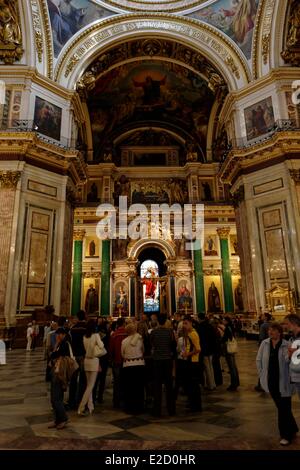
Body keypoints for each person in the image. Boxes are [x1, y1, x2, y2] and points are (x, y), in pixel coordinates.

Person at [256, 322, 298, 446]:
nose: (270, 332)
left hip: (284, 381)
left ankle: (286, 435)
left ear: (279, 332)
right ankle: (293, 428)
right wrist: (261, 373)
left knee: (283, 409)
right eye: (269, 330)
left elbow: (289, 361)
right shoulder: (265, 343)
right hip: (271, 381)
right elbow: (259, 359)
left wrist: (290, 355)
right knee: (282, 408)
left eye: (273, 330)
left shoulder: (286, 344)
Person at [150, 314, 176, 417]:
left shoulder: (153, 332)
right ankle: (171, 409)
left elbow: (152, 344)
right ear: (165, 321)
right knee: (169, 386)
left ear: (157, 322)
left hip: (157, 361)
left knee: (157, 386)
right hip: (167, 361)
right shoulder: (170, 332)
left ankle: (157, 410)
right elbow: (172, 345)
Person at [78, 319, 105, 416]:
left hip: (86, 361)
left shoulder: (84, 336)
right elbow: (101, 346)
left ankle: (90, 406)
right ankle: (81, 407)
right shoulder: (96, 335)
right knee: (90, 386)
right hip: (94, 361)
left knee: (88, 384)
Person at [48, 327, 71, 429]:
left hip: (59, 373)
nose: (57, 336)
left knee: (56, 398)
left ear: (63, 334)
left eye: (59, 334)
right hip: (56, 372)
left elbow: (53, 355)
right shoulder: (61, 344)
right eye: (57, 334)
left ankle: (63, 419)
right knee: (55, 398)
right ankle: (57, 420)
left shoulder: (64, 344)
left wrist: (55, 347)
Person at [121, 322, 145, 414]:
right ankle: (139, 407)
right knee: (139, 387)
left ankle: (129, 407)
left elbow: (122, 354)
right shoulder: (139, 339)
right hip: (139, 365)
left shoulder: (124, 341)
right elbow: (143, 350)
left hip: (128, 366)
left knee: (129, 387)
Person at [181, 316, 202, 412]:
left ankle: (196, 405)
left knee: (194, 384)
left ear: (191, 323)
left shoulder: (193, 334)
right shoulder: (188, 333)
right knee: (190, 384)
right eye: (183, 323)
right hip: (189, 360)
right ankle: (192, 403)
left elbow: (198, 349)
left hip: (193, 361)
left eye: (186, 323)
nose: (184, 325)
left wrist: (187, 354)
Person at [68, 310, 86, 410]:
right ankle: (80, 400)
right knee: (83, 379)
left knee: (73, 379)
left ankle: (71, 401)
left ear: (77, 317)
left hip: (74, 355)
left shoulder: (73, 328)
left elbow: (70, 342)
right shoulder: (86, 327)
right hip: (83, 355)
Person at [109, 317, 127, 408]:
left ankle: (116, 402)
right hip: (126, 360)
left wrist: (111, 359)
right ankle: (125, 400)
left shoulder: (114, 335)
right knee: (125, 381)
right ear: (124, 324)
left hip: (116, 361)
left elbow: (111, 349)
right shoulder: (127, 333)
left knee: (117, 382)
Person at [197, 316, 217, 391]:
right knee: (210, 367)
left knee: (206, 368)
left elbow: (200, 339)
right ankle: (213, 383)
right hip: (210, 350)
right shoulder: (210, 326)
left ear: (200, 319)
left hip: (204, 350)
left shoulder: (200, 327)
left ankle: (210, 385)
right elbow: (213, 338)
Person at [255, 312, 272, 392]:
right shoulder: (271, 324)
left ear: (265, 317)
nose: (261, 316)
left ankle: (261, 384)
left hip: (264, 346)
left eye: (263, 316)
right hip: (272, 346)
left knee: (262, 365)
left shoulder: (263, 325)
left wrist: (259, 346)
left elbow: (261, 337)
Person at [222, 316, 240, 391]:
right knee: (234, 366)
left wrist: (221, 340)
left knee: (231, 367)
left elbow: (225, 338)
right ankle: (236, 382)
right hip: (232, 349)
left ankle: (233, 384)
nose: (223, 321)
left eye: (223, 320)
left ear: (226, 321)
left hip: (228, 349)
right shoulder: (231, 327)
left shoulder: (227, 328)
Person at [284, 314, 300, 394]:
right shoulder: (291, 338)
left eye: (287, 323)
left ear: (294, 323)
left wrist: (296, 353)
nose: (285, 326)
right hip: (295, 375)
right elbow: (287, 358)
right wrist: (290, 355)